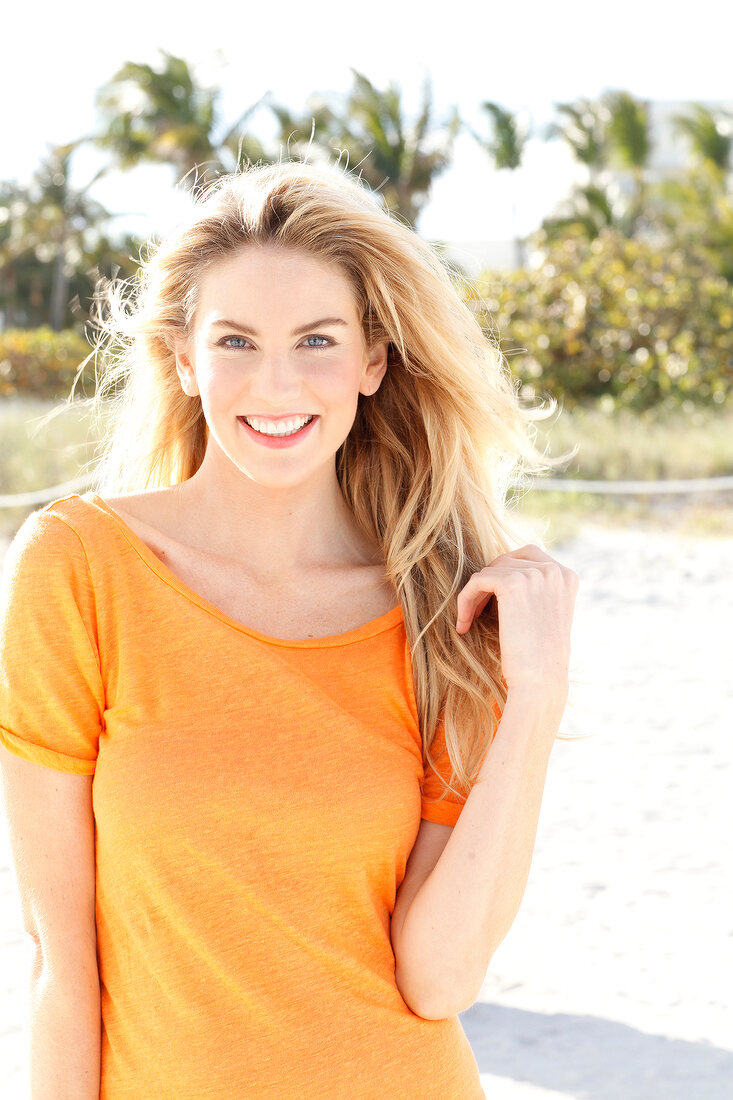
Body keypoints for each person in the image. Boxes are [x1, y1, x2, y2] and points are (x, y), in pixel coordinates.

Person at [0, 158, 579, 1098]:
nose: (277, 384)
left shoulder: (439, 608)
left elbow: (438, 979)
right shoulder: (79, 569)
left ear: (371, 361)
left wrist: (535, 701)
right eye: (236, 340)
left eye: (316, 340)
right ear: (183, 359)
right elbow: (59, 959)